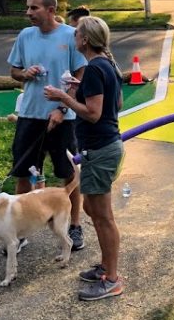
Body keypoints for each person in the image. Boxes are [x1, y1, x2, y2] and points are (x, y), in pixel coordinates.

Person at [45, 16, 125, 301]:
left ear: (85, 40)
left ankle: (112, 278)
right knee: (93, 207)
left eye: (76, 33)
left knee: (103, 217)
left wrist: (62, 96)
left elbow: (92, 113)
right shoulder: (107, 65)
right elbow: (116, 104)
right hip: (104, 147)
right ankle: (106, 265)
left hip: (100, 149)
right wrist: (81, 86)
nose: (73, 37)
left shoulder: (95, 68)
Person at [8, 0, 88, 254]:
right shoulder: (25, 35)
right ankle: (19, 231)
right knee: (22, 172)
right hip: (30, 115)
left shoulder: (69, 36)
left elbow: (80, 75)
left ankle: (75, 225)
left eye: (34, 8)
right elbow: (13, 71)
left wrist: (63, 109)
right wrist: (24, 73)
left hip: (62, 118)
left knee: (68, 174)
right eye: (28, 8)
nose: (28, 13)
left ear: (51, 10)